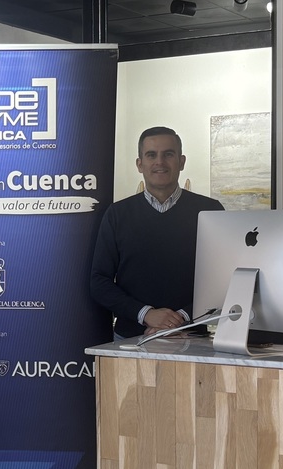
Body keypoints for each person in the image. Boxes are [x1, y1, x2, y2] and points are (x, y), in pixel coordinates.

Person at [90, 126, 224, 340]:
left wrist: (179, 319)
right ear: (139, 164)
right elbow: (99, 281)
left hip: (191, 336)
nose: (159, 162)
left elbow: (222, 279)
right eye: (151, 155)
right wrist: (146, 314)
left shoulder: (210, 211)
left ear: (181, 161)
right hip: (130, 339)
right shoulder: (117, 214)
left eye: (168, 154)